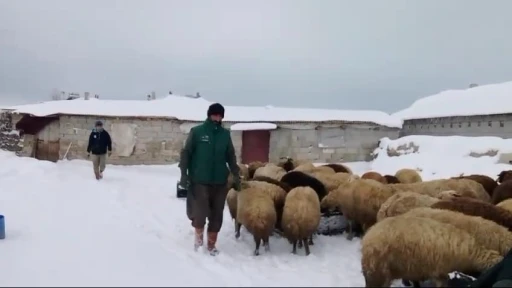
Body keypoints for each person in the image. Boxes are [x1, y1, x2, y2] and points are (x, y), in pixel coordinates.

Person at [179, 103, 241, 256]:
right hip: (200, 180)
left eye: (220, 115)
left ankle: (211, 245)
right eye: (215, 114)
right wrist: (184, 175)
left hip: (220, 181)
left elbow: (231, 157)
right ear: (209, 115)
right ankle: (198, 242)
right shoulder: (198, 132)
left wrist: (236, 175)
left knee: (216, 215)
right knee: (200, 212)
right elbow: (186, 153)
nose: (217, 117)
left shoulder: (225, 135)